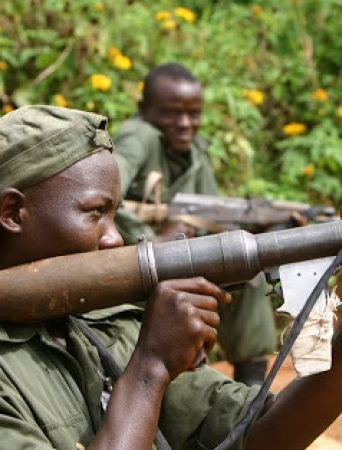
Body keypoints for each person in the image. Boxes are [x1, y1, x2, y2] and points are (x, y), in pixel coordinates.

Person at [0, 105, 342, 450]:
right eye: (95, 213)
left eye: (116, 215)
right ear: (13, 213)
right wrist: (148, 370)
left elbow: (262, 438)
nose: (115, 238)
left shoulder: (101, 325)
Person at [112, 63, 275, 385]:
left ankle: (251, 393)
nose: (185, 124)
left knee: (249, 278)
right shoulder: (139, 136)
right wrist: (150, 239)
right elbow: (104, 190)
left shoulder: (196, 153)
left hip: (179, 260)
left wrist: (245, 231)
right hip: (132, 262)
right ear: (145, 110)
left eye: (194, 114)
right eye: (172, 113)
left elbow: (210, 217)